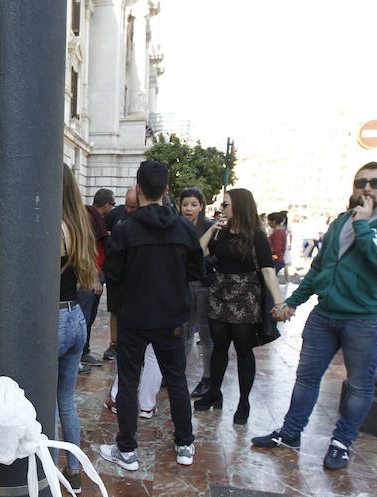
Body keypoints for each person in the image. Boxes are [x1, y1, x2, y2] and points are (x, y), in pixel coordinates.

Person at [252, 162, 377, 470]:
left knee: (358, 384)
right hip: (325, 315)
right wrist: (292, 302)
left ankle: (341, 442)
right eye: (361, 182)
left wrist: (364, 225)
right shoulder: (341, 221)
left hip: (367, 319)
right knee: (305, 378)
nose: (367, 188)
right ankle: (290, 434)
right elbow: (320, 269)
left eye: (375, 182)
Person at [99, 160, 203, 471]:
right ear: (167, 190)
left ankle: (127, 450)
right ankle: (185, 443)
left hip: (133, 317)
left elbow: (112, 275)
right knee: (176, 381)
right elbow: (196, 271)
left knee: (129, 382)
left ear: (139, 188)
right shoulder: (184, 228)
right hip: (170, 317)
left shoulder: (125, 230)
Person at [196, 189, 284, 425]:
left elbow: (268, 270)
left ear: (240, 206)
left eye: (225, 205)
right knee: (218, 348)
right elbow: (199, 251)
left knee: (244, 351)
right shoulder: (221, 233)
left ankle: (244, 401)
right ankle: (214, 393)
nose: (222, 209)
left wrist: (279, 302)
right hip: (219, 294)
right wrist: (213, 229)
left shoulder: (256, 235)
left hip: (245, 298)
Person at [55, 164, 98, 496]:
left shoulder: (53, 227)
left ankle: (51, 482)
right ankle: (74, 471)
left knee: (49, 404)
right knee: (66, 401)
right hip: (76, 319)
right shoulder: (78, 224)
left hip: (52, 320)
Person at [178, 187, 215, 399]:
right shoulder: (177, 227)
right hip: (182, 286)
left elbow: (214, 257)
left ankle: (207, 378)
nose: (188, 209)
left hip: (204, 286)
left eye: (193, 204)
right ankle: (176, 373)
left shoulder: (209, 227)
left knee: (205, 333)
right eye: (185, 205)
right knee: (183, 331)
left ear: (201, 206)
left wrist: (200, 260)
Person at [102, 187, 137, 362]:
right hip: (116, 273)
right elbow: (102, 227)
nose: (129, 210)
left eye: (134, 207)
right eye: (128, 205)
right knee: (115, 310)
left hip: (135, 275)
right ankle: (114, 344)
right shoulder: (117, 214)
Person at [79, 189, 113, 367]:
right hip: (90, 274)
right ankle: (80, 354)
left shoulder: (92, 218)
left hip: (94, 272)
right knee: (84, 316)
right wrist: (94, 277)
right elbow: (88, 248)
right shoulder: (90, 218)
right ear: (106, 204)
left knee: (89, 316)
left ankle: (83, 352)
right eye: (112, 204)